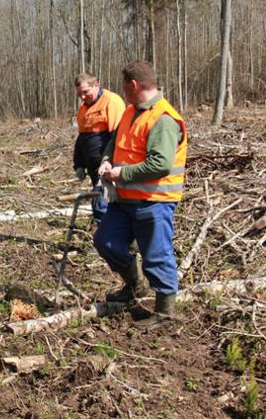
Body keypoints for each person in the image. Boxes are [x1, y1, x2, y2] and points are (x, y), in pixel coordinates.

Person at [93, 60, 187, 328]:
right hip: (124, 200)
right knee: (106, 242)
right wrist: (107, 160)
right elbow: (115, 142)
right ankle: (134, 286)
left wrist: (120, 174)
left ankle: (165, 311)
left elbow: (160, 164)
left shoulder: (164, 119)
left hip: (154, 201)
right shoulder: (130, 111)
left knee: (156, 254)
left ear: (133, 85)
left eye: (124, 86)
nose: (122, 92)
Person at [73, 73, 125, 223]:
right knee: (100, 203)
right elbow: (82, 138)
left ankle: (106, 240)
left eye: (85, 92)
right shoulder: (83, 108)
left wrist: (110, 163)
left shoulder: (111, 101)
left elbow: (117, 138)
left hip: (108, 167)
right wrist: (79, 164)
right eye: (79, 94)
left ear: (96, 85)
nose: (82, 97)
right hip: (93, 169)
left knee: (102, 204)